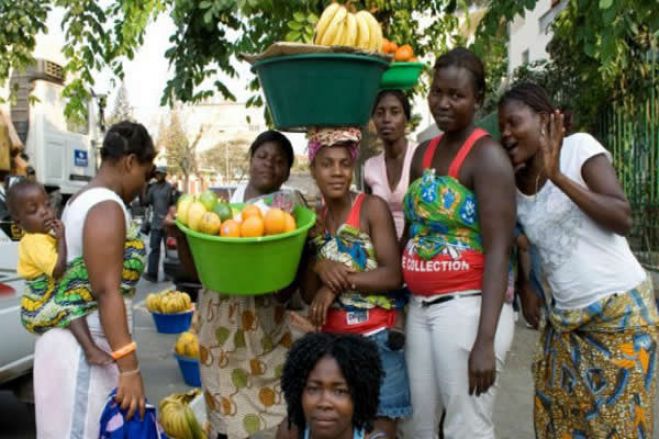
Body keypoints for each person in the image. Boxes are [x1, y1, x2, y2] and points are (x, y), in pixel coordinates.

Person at [498, 81, 658, 438]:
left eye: (513, 123)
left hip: (620, 317)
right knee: (561, 425)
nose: (506, 134)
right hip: (566, 323)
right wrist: (527, 284)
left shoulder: (578, 149)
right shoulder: (513, 182)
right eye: (501, 127)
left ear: (543, 120)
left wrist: (557, 176)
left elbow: (622, 217)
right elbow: (522, 238)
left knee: (618, 429)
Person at [402, 47, 516, 438]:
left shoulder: (488, 157)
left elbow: (501, 249)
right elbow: (413, 231)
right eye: (437, 92)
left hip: (467, 311)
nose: (443, 103)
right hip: (420, 310)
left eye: (457, 95)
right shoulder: (423, 154)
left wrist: (485, 341)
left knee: (466, 427)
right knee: (418, 424)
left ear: (478, 99)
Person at [33, 121, 154, 438]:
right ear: (129, 162)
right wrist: (130, 369)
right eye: (144, 173)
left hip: (76, 347)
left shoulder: (79, 200)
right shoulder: (105, 206)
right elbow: (106, 291)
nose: (144, 185)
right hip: (87, 356)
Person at [302, 127, 412, 438]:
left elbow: (393, 275)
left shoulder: (370, 208)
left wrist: (335, 282)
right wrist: (319, 265)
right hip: (332, 346)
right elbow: (308, 294)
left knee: (381, 430)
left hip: (378, 337)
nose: (337, 172)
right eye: (326, 164)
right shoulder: (313, 223)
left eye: (344, 164)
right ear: (312, 169)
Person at [197, 130, 298, 439]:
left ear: (287, 172)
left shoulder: (287, 208)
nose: (269, 165)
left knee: (279, 404)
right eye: (263, 156)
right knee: (223, 410)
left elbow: (289, 278)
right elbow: (198, 272)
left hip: (267, 324)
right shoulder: (219, 209)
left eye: (279, 161)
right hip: (220, 326)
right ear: (251, 159)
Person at [7, 180, 111, 364]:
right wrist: (61, 238)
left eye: (46, 205)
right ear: (18, 221)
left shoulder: (42, 235)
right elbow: (57, 270)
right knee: (69, 307)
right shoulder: (33, 241)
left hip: (46, 296)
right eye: (34, 210)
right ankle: (90, 351)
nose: (44, 211)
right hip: (36, 308)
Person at [278, 332, 384, 439]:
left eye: (340, 391)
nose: (324, 403)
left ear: (360, 397)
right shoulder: (290, 433)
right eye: (313, 389)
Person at [364, 90, 417, 241]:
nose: (387, 119)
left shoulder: (419, 156)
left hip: (417, 249)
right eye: (380, 113)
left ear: (406, 118)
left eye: (395, 112)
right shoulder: (370, 167)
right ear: (373, 120)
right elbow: (368, 216)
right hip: (382, 248)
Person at [143, 166, 175, 282]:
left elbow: (173, 204)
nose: (158, 175)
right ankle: (152, 274)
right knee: (154, 249)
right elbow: (146, 202)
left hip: (167, 224)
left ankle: (169, 274)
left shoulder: (170, 188)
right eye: (157, 173)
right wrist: (145, 187)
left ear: (165, 175)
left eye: (160, 173)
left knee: (168, 251)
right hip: (155, 224)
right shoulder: (153, 188)